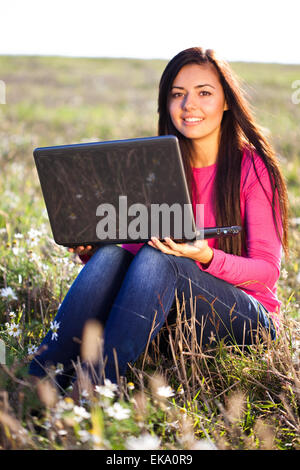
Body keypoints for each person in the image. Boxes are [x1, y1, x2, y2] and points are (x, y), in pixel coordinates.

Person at [28, 47, 289, 391]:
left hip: (247, 321)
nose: (188, 105)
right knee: (113, 253)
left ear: (226, 101)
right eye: (177, 94)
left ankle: (91, 389)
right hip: (174, 317)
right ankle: (40, 381)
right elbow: (135, 257)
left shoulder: (253, 167)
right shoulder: (157, 165)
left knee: (164, 258)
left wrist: (204, 256)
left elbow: (266, 273)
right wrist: (91, 247)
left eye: (204, 93)